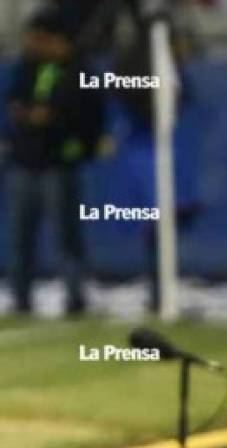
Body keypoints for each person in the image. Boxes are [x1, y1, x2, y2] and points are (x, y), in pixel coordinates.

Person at [4, 9, 105, 316]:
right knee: (20, 237)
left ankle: (75, 297)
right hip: (24, 162)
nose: (34, 44)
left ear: (56, 39)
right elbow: (14, 103)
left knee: (66, 236)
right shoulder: (27, 66)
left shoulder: (80, 71)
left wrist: (56, 123)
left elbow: (87, 115)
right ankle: (20, 298)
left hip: (58, 165)